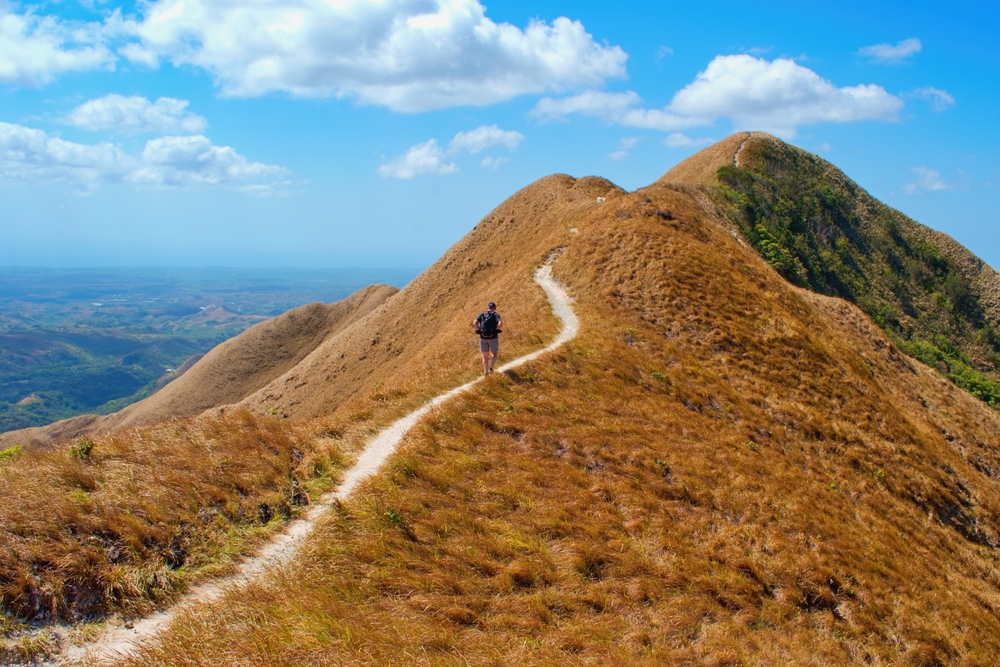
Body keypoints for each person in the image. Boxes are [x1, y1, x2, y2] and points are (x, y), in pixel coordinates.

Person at [473, 301, 503, 376]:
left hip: (483, 338)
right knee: (494, 354)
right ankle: (491, 368)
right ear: (494, 308)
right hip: (493, 338)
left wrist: (479, 330)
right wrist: (496, 329)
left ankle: (486, 373)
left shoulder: (482, 314)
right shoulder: (495, 314)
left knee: (485, 356)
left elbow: (474, 323)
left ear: (487, 308)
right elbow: (500, 323)